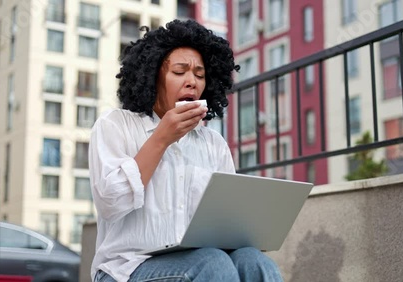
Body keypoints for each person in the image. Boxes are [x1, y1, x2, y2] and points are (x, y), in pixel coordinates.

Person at [89, 19, 284, 282]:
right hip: (125, 269)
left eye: (200, 75)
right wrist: (161, 139)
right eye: (180, 72)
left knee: (255, 262)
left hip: (198, 259)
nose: (192, 81)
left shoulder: (213, 143)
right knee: (212, 264)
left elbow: (230, 222)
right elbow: (110, 203)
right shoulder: (115, 125)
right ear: (152, 77)